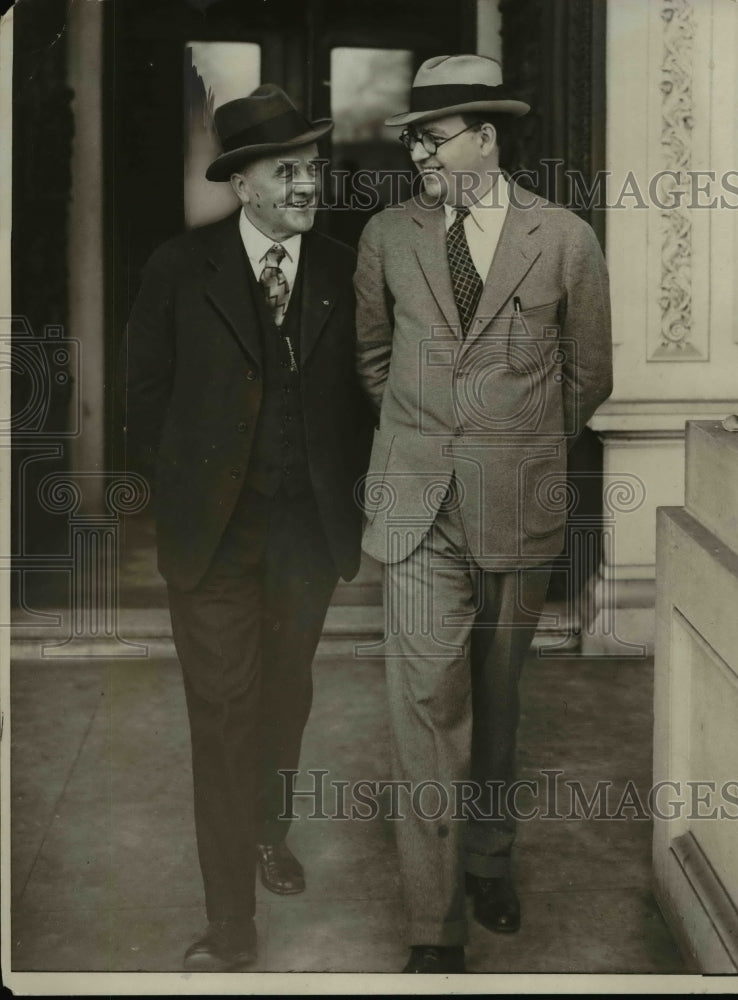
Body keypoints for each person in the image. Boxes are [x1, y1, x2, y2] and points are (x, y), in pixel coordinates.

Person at [354, 54, 613, 973]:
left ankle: (489, 860)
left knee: (498, 704)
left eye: (436, 137)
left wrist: (515, 443)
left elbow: (588, 377)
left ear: (486, 136)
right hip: (416, 504)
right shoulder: (388, 235)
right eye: (415, 140)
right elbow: (374, 363)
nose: (421, 153)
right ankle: (434, 926)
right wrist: (430, 439)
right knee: (426, 705)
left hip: (516, 498)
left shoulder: (566, 239)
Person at [123, 84, 370, 971]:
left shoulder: (347, 270)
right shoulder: (178, 268)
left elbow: (368, 402)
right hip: (214, 538)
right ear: (244, 183)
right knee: (224, 711)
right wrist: (186, 500)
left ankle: (271, 830)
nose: (309, 185)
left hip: (307, 532)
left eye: (313, 168)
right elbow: (143, 403)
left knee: (284, 693)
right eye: (288, 170)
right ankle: (230, 922)